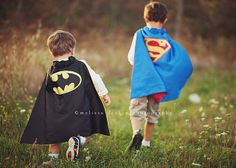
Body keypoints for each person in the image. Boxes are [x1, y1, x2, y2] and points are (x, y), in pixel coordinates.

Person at [20, 30, 111, 162]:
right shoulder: (81, 65)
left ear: (51, 52)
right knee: (83, 129)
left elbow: (48, 93)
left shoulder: (51, 70)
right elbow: (95, 78)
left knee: (54, 137)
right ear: (72, 49)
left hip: (57, 113)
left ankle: (53, 160)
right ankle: (78, 140)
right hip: (78, 109)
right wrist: (104, 93)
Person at [127, 1, 193, 151]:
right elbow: (175, 61)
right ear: (165, 20)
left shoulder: (140, 35)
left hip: (143, 80)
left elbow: (132, 57)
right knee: (152, 112)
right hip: (159, 83)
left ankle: (136, 133)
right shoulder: (166, 40)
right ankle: (146, 142)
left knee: (136, 109)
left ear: (145, 18)